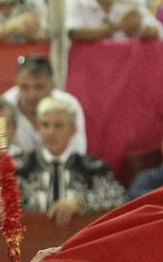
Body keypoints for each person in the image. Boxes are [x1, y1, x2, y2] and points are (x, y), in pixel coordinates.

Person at [14, 95, 124, 226]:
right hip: (30, 240)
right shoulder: (20, 166)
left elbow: (118, 196)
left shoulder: (91, 166)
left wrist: (79, 203)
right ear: (38, 128)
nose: (51, 132)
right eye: (45, 125)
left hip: (78, 240)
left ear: (73, 130)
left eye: (59, 126)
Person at [1, 54, 86, 157]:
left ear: (52, 86)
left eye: (39, 87)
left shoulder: (68, 106)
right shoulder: (5, 106)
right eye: (24, 87)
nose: (31, 95)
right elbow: (0, 151)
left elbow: (77, 152)